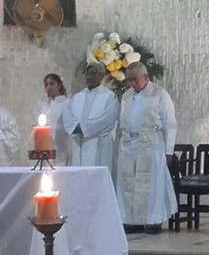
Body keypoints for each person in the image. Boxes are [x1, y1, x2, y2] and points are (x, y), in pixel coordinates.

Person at [115, 62, 177, 234]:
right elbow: (121, 122)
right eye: (129, 80)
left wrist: (169, 150)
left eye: (135, 80)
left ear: (146, 77)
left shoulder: (159, 94)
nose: (132, 84)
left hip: (151, 145)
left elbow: (170, 123)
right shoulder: (126, 96)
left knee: (150, 184)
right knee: (128, 183)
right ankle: (131, 220)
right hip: (128, 145)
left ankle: (153, 221)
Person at [62, 62, 119, 172]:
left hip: (98, 143)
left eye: (93, 74)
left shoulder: (110, 97)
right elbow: (68, 116)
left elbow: (107, 120)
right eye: (88, 74)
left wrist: (83, 128)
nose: (89, 77)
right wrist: (74, 127)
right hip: (78, 142)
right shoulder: (77, 96)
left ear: (102, 76)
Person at [33, 73, 69, 166]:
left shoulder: (66, 103)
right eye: (46, 85)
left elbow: (68, 125)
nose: (49, 87)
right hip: (44, 147)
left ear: (59, 85)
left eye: (51, 84)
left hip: (60, 145)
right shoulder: (41, 104)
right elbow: (36, 123)